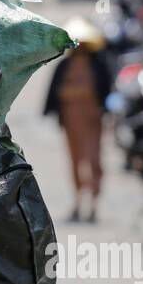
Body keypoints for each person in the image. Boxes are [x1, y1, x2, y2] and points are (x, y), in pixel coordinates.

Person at [43, 18, 113, 223]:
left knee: (94, 161)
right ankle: (77, 201)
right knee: (75, 162)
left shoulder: (98, 65)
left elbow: (106, 91)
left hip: (93, 121)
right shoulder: (64, 66)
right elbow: (55, 92)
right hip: (71, 122)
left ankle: (93, 203)